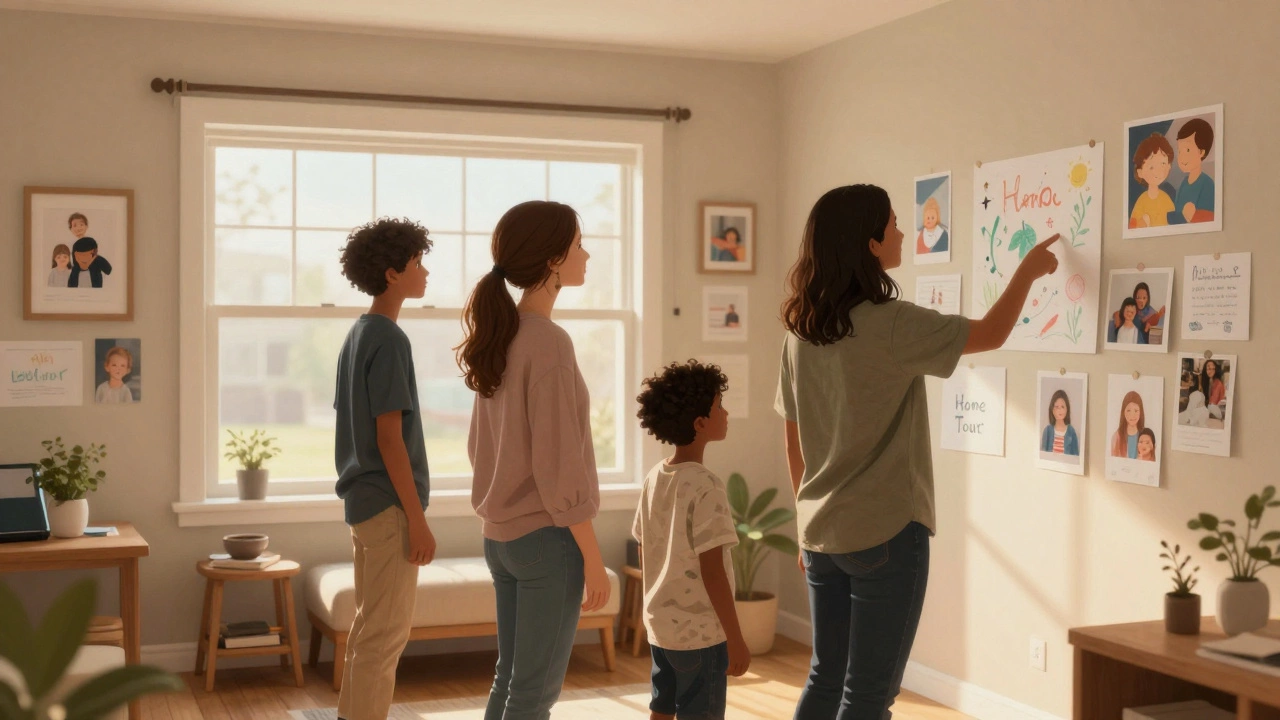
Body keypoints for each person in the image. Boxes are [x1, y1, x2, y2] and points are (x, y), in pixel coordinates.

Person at [774, 184, 1059, 719]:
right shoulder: (893, 323)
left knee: (825, 678)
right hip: (884, 532)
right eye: (893, 224)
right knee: (868, 695)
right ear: (871, 243)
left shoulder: (800, 332)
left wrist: (803, 521)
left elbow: (793, 438)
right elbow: (992, 333)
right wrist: (1027, 270)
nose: (903, 232)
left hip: (820, 533)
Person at [456, 200, 610, 720]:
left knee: (511, 682)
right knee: (534, 694)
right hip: (546, 540)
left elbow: (480, 446)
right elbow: (560, 463)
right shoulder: (548, 342)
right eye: (579, 245)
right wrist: (592, 556)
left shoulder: (500, 335)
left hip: (500, 540)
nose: (587, 254)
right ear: (552, 260)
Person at [333, 217, 436, 720]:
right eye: (418, 263)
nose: (425, 272)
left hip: (363, 505)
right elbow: (389, 438)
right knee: (384, 638)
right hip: (389, 506)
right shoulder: (389, 339)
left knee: (368, 632)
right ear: (393, 273)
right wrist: (417, 519)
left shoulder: (357, 334)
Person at [633, 360, 749, 720]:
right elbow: (712, 572)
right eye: (719, 406)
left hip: (661, 628)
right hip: (701, 636)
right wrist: (735, 638)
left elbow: (644, 548)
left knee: (662, 708)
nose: (725, 413)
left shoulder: (655, 476)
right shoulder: (706, 486)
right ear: (700, 423)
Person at [1173, 118, 1216, 224]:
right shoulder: (1183, 183)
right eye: (1179, 151)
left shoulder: (1207, 184)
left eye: (1187, 150)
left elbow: (1209, 219)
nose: (1181, 157)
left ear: (1201, 152)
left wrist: (1192, 216)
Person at [1128, 133, 1175, 229]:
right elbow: (1132, 225)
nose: (1158, 171)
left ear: (1169, 166)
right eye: (1151, 167)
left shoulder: (1165, 199)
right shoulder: (1142, 200)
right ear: (1140, 172)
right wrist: (1142, 224)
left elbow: (1173, 224)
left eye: (1163, 164)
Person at [66, 214, 113, 288]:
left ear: (86, 226)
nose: (78, 228)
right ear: (71, 229)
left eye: (81, 224)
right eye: (75, 225)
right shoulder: (70, 243)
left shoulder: (91, 241)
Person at [1040, 389, 1079, 456]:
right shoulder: (1047, 431)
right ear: (1052, 410)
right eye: (1057, 407)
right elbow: (1043, 456)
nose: (1060, 410)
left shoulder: (1071, 432)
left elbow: (1076, 457)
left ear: (1067, 409)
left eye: (1062, 407)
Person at [1110, 391, 1146, 459]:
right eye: (1128, 410)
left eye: (1136, 411)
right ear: (1123, 412)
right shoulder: (1116, 437)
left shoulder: (1146, 436)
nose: (1132, 415)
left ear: (1140, 412)